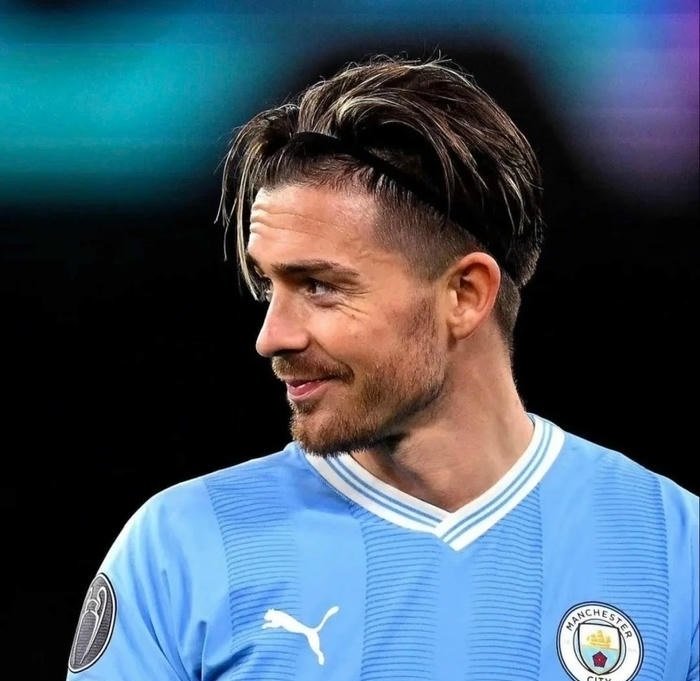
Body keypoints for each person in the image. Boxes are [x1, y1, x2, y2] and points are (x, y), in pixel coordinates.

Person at [66, 54, 698, 681]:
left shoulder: (677, 552)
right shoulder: (181, 550)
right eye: (268, 287)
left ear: (464, 295)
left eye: (319, 286)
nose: (271, 337)